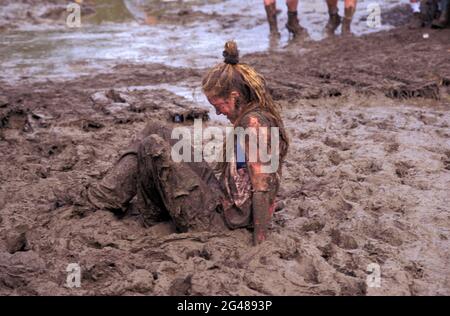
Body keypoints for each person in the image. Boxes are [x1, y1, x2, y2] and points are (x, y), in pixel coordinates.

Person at [83, 41, 289, 246]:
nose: (218, 113)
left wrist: (259, 243)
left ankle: (152, 216)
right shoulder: (250, 117)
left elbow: (263, 186)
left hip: (223, 221)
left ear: (235, 97)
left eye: (219, 106)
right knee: (155, 129)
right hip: (220, 198)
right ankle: (105, 196)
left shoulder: (255, 123)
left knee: (153, 145)